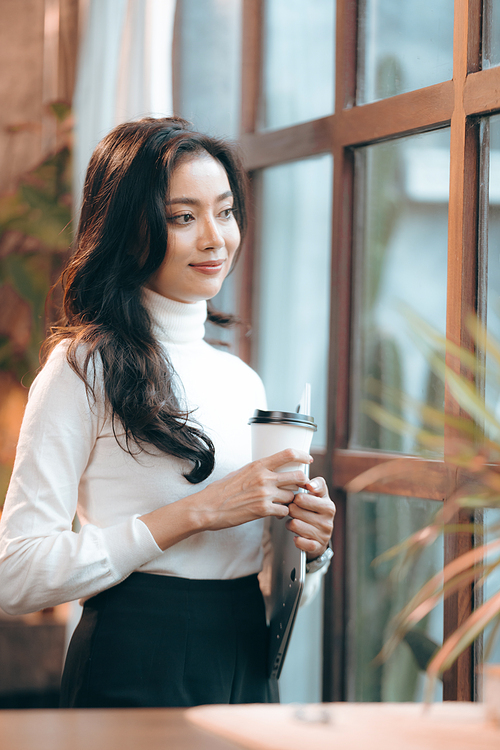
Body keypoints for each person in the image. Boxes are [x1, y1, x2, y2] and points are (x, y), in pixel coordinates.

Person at [0, 117, 335, 708]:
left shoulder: (240, 379)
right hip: (135, 657)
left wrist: (307, 549)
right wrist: (196, 512)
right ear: (130, 231)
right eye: (184, 217)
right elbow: (16, 574)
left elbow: (260, 576)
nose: (214, 238)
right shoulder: (82, 367)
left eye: (225, 211)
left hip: (246, 657)